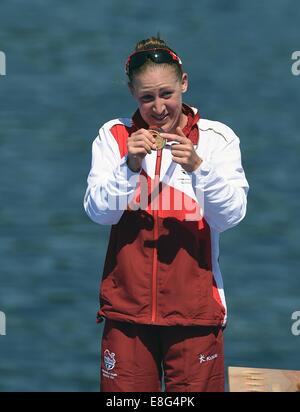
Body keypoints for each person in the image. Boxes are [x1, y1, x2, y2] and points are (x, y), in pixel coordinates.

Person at [83, 36, 249, 392]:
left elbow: (231, 216)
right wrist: (129, 165)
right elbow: (100, 213)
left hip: (195, 314)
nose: (158, 108)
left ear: (184, 83)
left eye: (167, 94)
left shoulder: (217, 139)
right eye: (146, 97)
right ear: (132, 93)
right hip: (126, 314)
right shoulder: (113, 136)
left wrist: (199, 168)